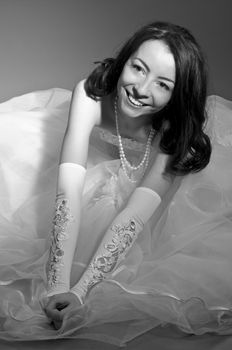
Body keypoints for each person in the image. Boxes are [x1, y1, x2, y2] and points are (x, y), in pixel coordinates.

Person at [0, 21, 232, 346]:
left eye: (163, 85)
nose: (142, 89)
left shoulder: (177, 132)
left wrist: (81, 293)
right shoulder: (90, 95)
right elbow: (68, 194)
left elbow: (135, 214)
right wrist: (56, 285)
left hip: (154, 193)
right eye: (138, 68)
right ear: (124, 60)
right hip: (101, 165)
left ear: (177, 94)